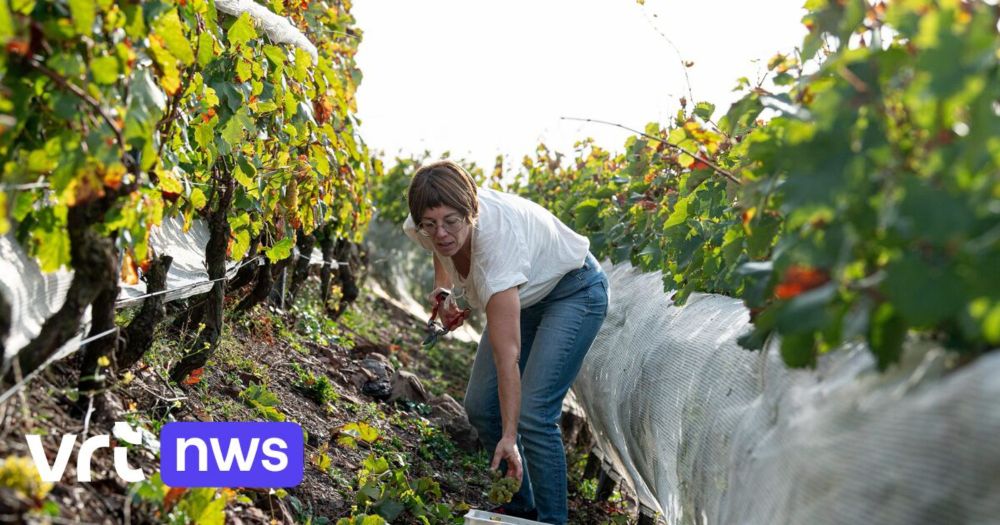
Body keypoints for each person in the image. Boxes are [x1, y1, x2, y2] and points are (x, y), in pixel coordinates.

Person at [403, 160, 609, 524]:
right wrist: (446, 289)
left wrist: (510, 435)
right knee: (481, 405)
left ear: (471, 211)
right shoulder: (425, 221)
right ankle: (519, 506)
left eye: (451, 221)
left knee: (533, 413)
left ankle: (551, 519)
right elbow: (438, 247)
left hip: (573, 291)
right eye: (430, 224)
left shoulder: (497, 248)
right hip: (526, 294)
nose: (441, 233)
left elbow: (507, 359)